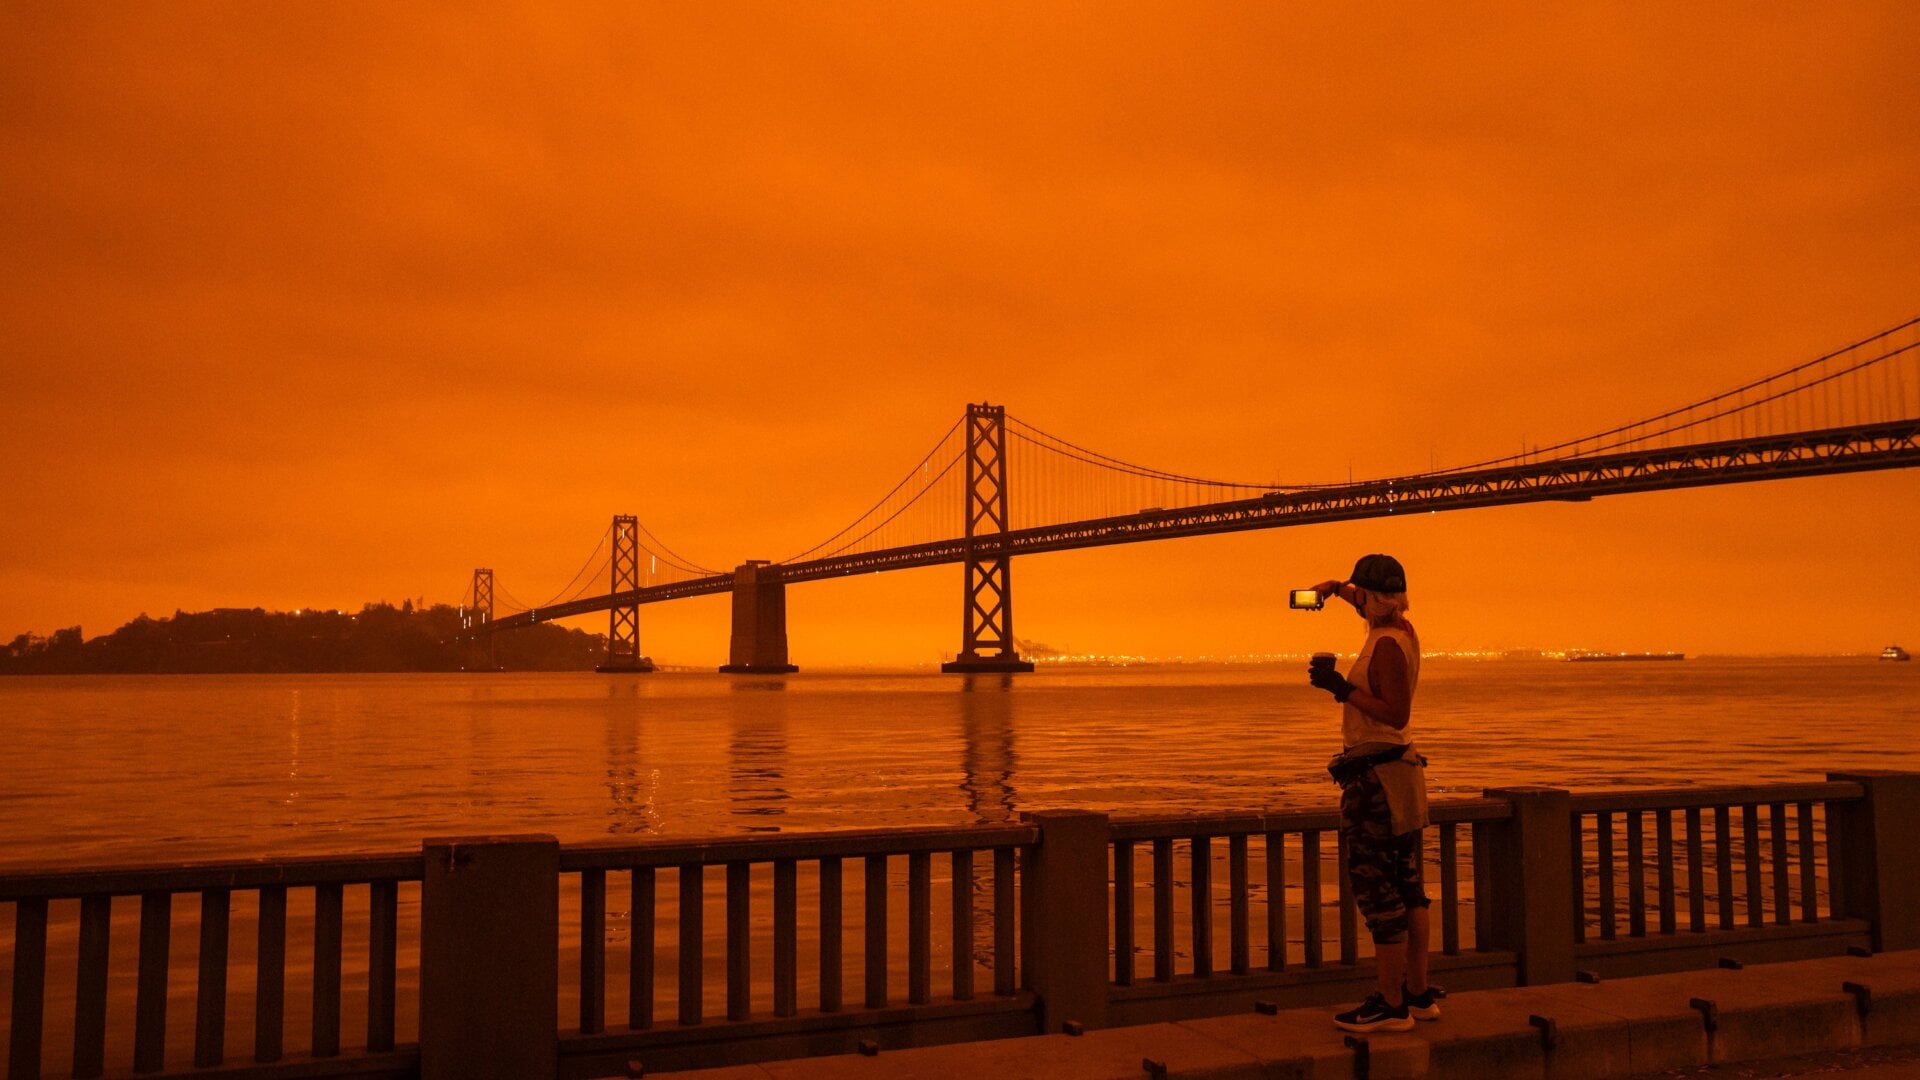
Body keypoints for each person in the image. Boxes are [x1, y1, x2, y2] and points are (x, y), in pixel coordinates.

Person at [1307, 553, 1440, 1033]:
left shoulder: (1384, 645)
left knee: (1378, 892)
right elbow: (1365, 602)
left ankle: (1390, 1004)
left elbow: (1395, 713)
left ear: (1369, 597)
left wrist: (1339, 688)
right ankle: (1418, 994)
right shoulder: (1402, 629)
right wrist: (1333, 588)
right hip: (1400, 777)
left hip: (1377, 782)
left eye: (1357, 595)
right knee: (1409, 889)